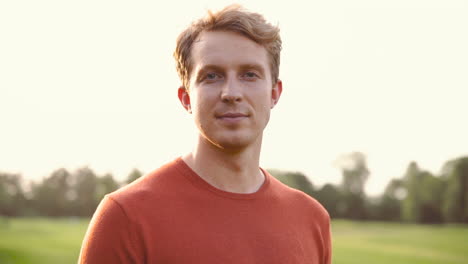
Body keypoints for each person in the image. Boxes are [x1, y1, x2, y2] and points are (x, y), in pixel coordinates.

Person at [78, 4, 331, 264]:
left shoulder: (311, 219)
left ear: (274, 93)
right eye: (212, 76)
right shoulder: (126, 216)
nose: (231, 93)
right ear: (186, 98)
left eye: (249, 75)